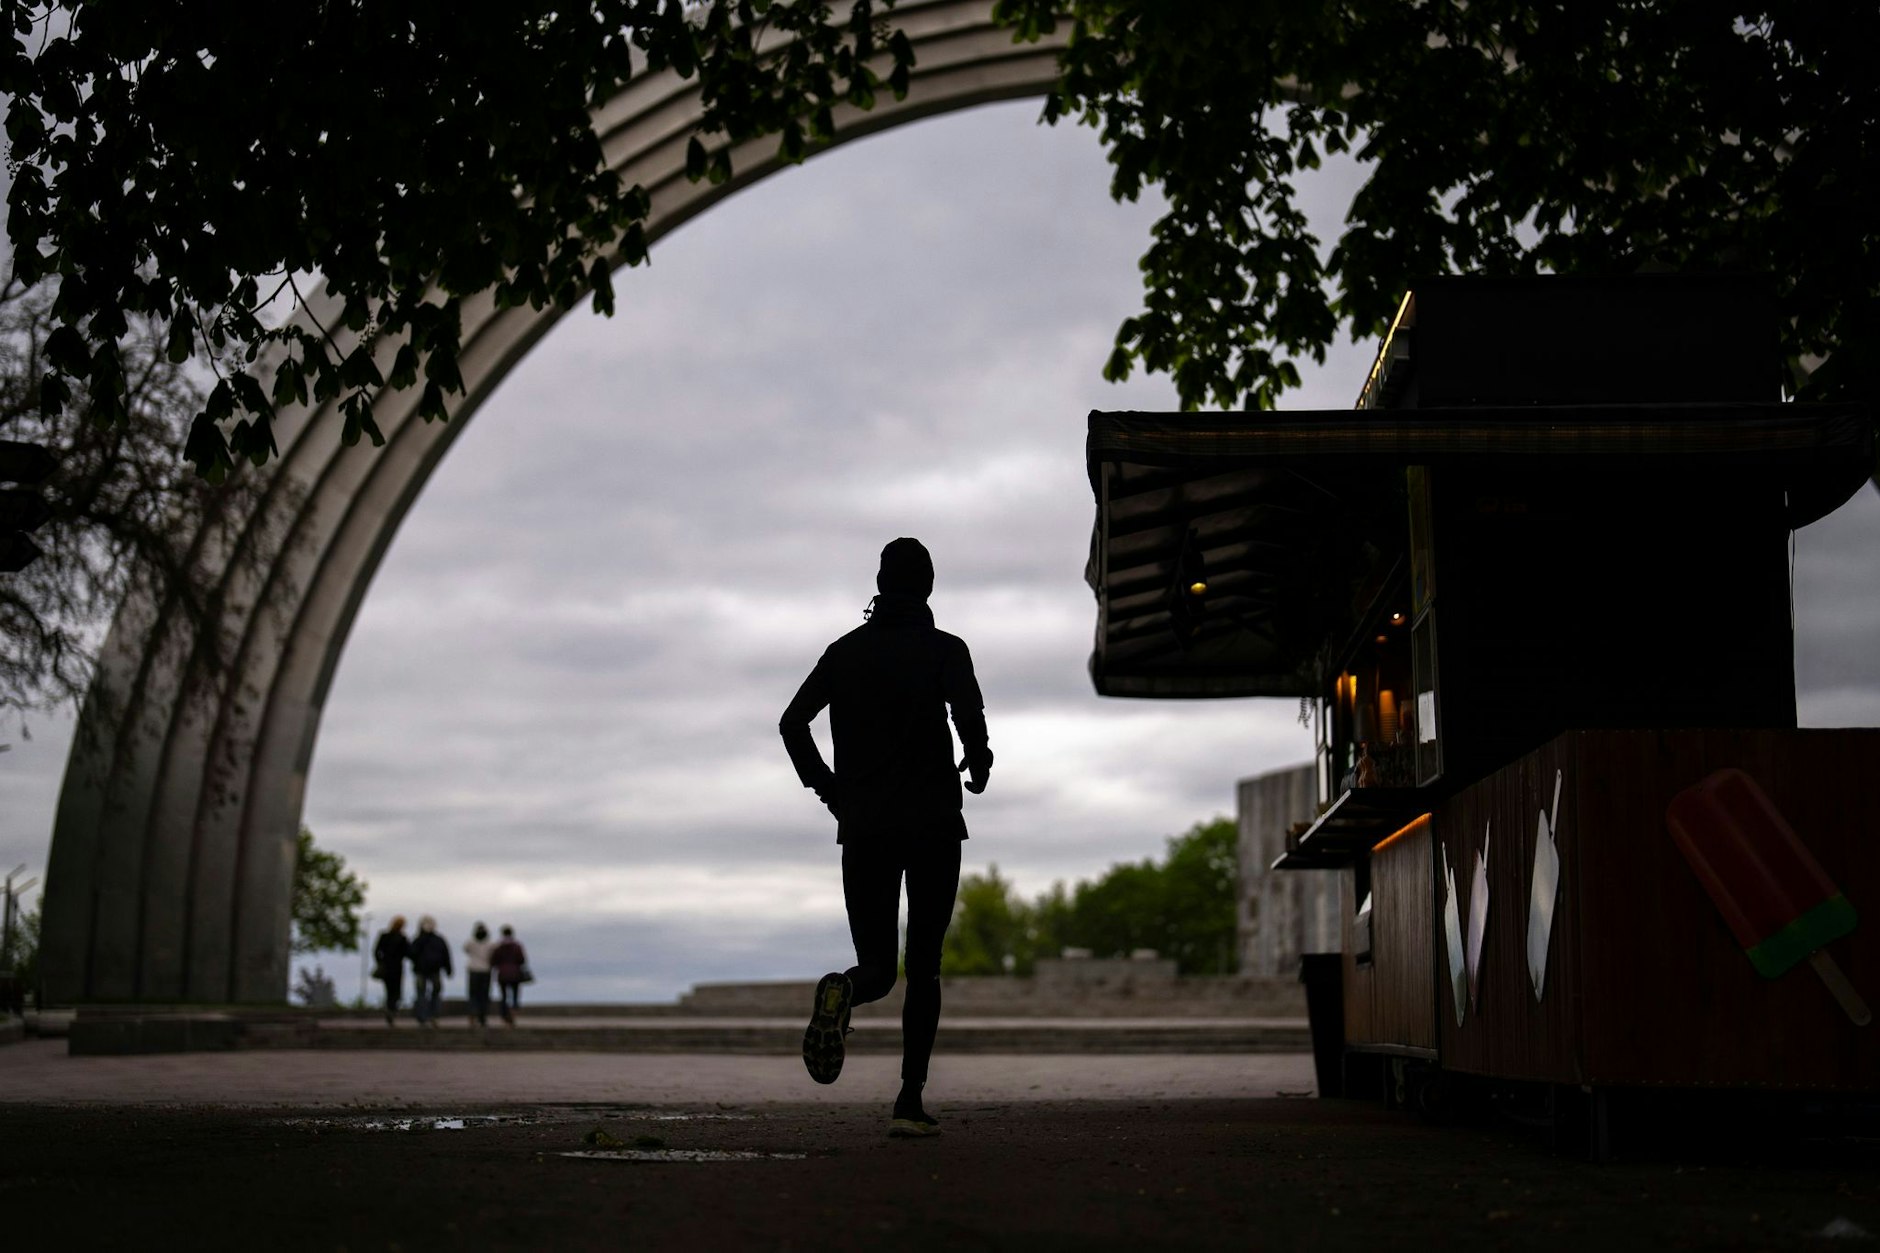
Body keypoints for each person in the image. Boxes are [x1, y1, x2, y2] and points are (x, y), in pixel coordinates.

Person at [779, 537, 992, 1138]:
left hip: (866, 827)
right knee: (924, 967)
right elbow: (969, 716)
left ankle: (844, 990)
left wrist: (830, 789)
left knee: (877, 966)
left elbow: (792, 723)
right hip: (932, 825)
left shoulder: (844, 652)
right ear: (927, 588)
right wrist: (979, 762)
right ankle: (909, 1100)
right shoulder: (945, 649)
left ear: (879, 582)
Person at [407, 915, 452, 1028]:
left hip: (420, 970)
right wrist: (448, 969)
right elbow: (446, 955)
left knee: (421, 993)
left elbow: (411, 954)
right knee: (435, 993)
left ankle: (422, 1017)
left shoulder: (418, 940)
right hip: (435, 970)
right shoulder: (439, 940)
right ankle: (434, 1015)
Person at [372, 916, 411, 1027]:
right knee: (396, 991)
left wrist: (380, 961)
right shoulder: (402, 938)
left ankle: (390, 1010)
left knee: (389, 991)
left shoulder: (385, 936)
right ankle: (392, 1010)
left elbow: (376, 951)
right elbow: (409, 953)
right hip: (396, 968)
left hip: (387, 968)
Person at [491, 925, 528, 1025]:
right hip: (515, 974)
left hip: (502, 974)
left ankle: (504, 1015)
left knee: (503, 996)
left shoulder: (498, 947)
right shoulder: (517, 946)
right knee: (515, 995)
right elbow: (522, 960)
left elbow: (493, 961)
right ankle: (513, 1014)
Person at [463, 922, 495, 1028]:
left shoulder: (471, 943)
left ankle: (472, 1016)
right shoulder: (490, 944)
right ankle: (482, 1017)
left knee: (473, 994)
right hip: (485, 970)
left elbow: (465, 949)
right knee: (484, 995)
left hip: (474, 970)